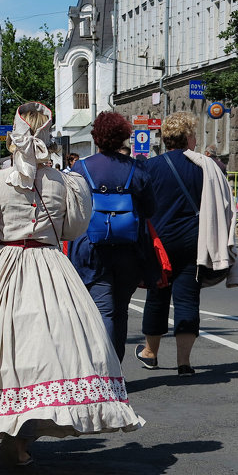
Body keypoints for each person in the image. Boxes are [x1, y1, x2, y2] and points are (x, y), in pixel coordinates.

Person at [0, 103, 143, 465]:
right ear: (47, 134)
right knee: (50, 351)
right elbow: (74, 229)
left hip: (3, 265)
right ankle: (23, 435)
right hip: (50, 266)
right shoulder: (66, 181)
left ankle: (6, 428)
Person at [137, 112, 238, 376]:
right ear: (187, 137)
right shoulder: (205, 166)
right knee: (187, 299)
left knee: (157, 297)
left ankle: (150, 353)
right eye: (194, 134)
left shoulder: (150, 166)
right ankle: (184, 363)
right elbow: (225, 202)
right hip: (195, 241)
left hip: (160, 243)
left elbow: (142, 205)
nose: (196, 138)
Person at [69, 111, 156, 362]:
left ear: (96, 137)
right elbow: (150, 209)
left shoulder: (81, 168)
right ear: (123, 138)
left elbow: (72, 210)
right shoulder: (136, 168)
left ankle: (105, 374)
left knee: (101, 309)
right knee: (120, 311)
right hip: (129, 249)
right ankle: (116, 369)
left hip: (91, 249)